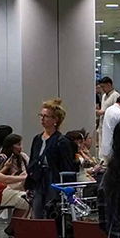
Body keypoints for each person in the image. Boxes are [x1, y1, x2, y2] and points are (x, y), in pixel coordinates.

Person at [30, 98, 82, 230]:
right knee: (37, 211)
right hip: (38, 179)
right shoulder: (37, 138)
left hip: (53, 180)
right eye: (41, 115)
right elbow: (32, 160)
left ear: (55, 120)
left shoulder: (62, 141)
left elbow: (67, 166)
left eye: (46, 116)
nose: (42, 119)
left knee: (51, 212)